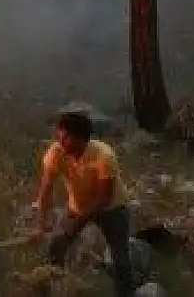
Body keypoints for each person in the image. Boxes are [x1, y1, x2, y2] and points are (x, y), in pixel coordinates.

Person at [32, 111, 135, 295]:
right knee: (56, 246)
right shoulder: (55, 153)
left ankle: (125, 293)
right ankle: (54, 288)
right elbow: (46, 190)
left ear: (81, 139)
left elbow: (104, 198)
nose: (59, 143)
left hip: (113, 208)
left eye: (65, 138)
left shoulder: (104, 156)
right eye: (58, 137)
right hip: (77, 207)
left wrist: (78, 222)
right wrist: (41, 224)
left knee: (120, 257)